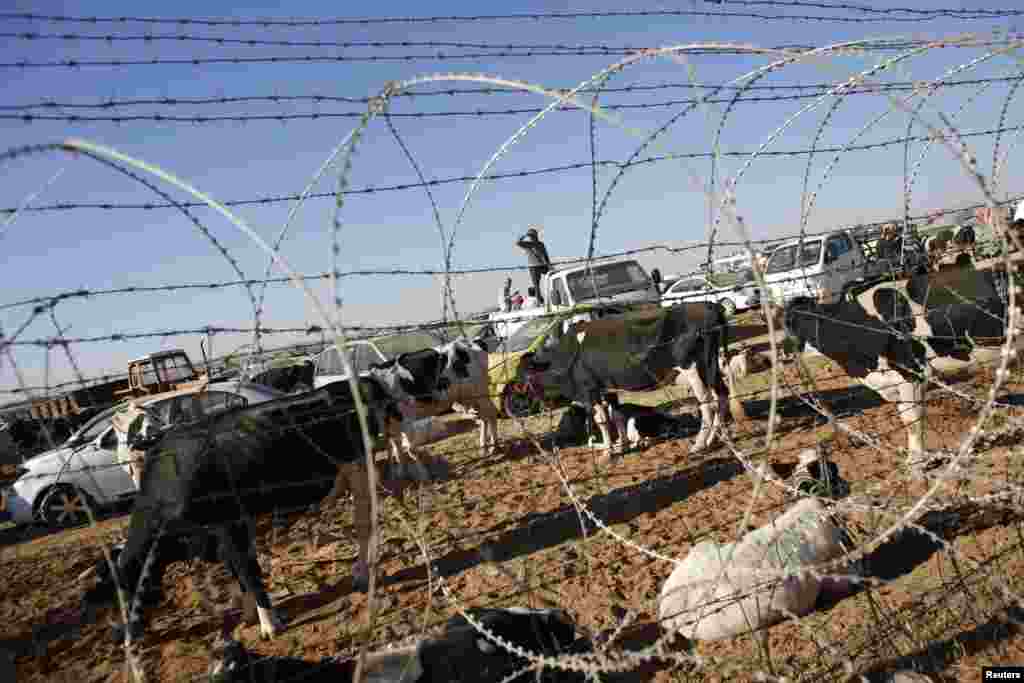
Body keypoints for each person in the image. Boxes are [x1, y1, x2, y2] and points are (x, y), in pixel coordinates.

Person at [516, 226, 551, 304]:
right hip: (538, 266)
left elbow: (517, 242)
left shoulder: (533, 244)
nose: (532, 238)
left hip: (536, 266)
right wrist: (549, 265)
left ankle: (541, 300)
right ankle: (540, 300)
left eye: (531, 236)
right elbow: (545, 256)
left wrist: (523, 236)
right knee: (537, 284)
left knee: (536, 284)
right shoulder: (535, 244)